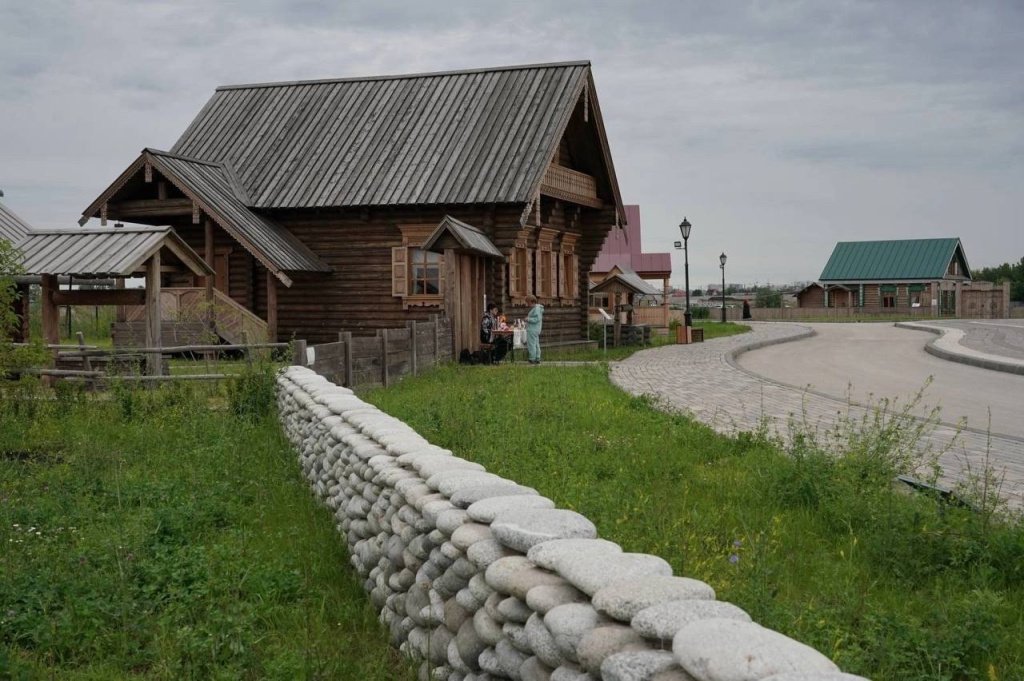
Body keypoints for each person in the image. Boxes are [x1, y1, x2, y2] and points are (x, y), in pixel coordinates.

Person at [525, 294, 543, 364]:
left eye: (528, 303)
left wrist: (528, 319)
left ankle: (532, 358)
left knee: (531, 344)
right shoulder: (537, 308)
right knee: (536, 344)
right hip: (535, 329)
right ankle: (537, 357)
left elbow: (537, 319)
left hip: (533, 329)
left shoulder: (536, 308)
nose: (528, 304)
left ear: (532, 302)